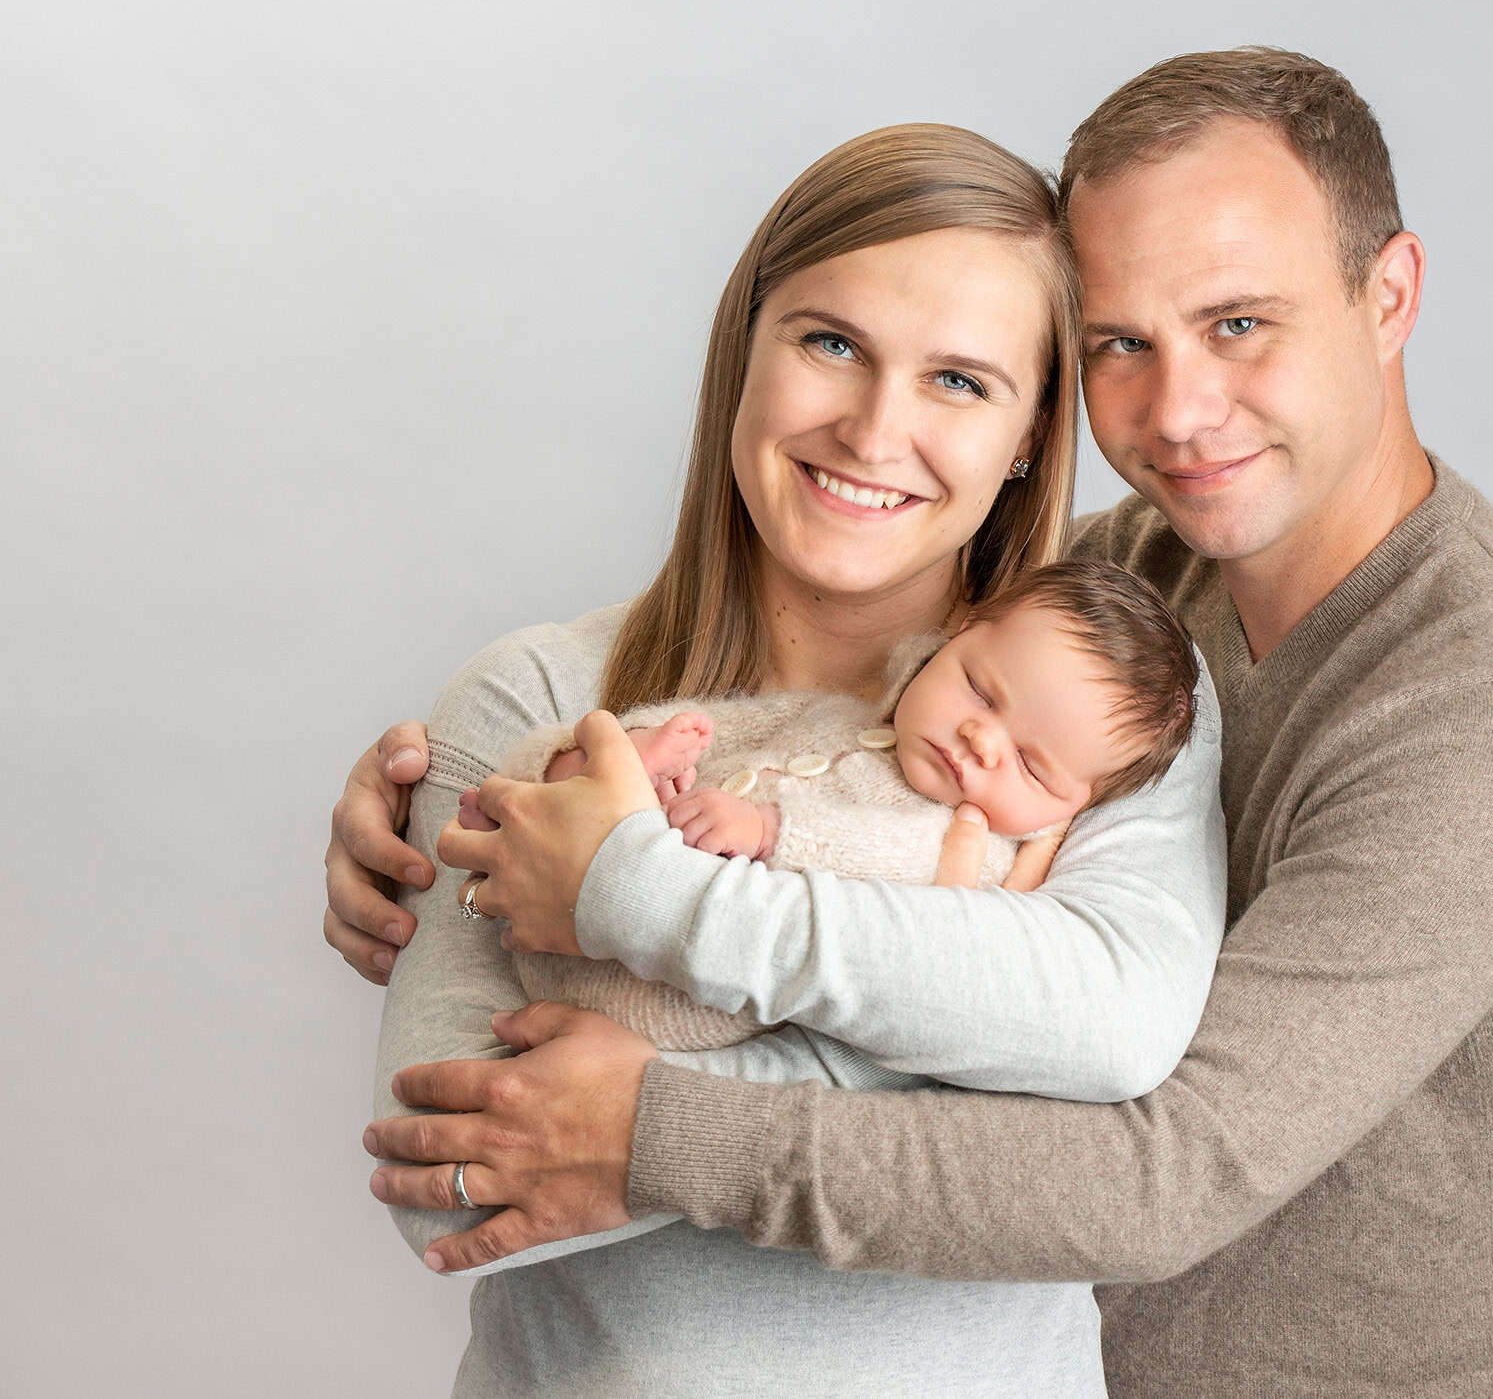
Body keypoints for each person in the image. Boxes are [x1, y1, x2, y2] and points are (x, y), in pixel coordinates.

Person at [334, 49, 1493, 1398]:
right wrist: (449, 791)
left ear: (1390, 296)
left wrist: (646, 1084)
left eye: (1239, 323)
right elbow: (452, 1165)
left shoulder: (1490, 712)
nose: (1179, 410)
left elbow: (1158, 1153)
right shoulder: (1116, 603)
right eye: (1121, 344)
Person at [355, 121, 1230, 1396]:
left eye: (959, 380)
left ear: (1032, 432)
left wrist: (653, 1091)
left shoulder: (1092, 704)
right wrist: (965, 1036)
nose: (874, 432)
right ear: (744, 352)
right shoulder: (535, 698)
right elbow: (451, 1178)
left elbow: (1107, 1032)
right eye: (830, 344)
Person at [482, 557, 1200, 1054]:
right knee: (602, 756)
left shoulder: (973, 852)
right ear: (952, 639)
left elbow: (883, 866)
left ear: (1066, 813)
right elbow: (730, 724)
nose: (981, 740)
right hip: (552, 913)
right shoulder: (846, 716)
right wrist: (645, 745)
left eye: (1031, 765)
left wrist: (772, 831)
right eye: (980, 690)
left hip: (655, 1002)